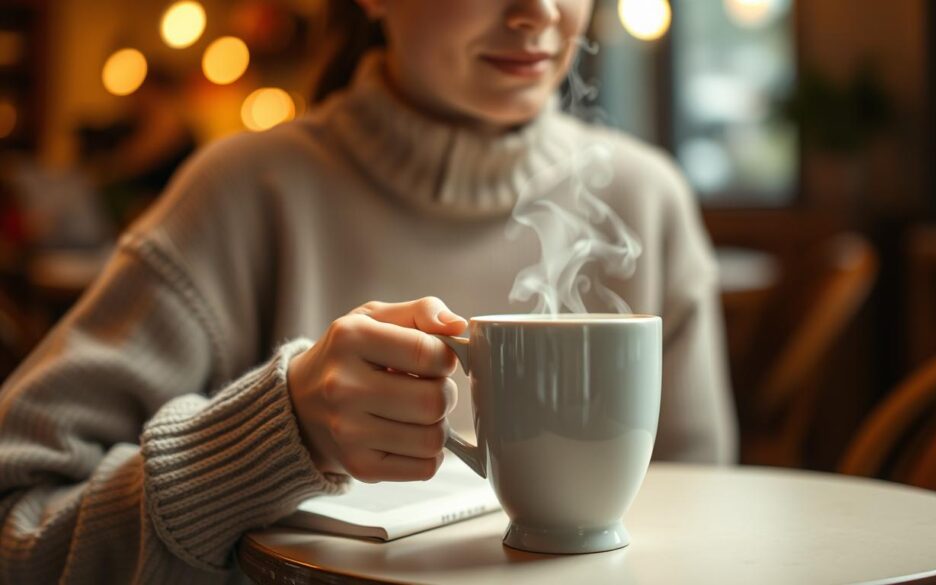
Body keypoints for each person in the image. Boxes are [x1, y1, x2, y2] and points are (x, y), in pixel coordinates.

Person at [0, 0, 737, 582]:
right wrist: (272, 432)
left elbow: (705, 527)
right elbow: (16, 532)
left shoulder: (648, 199)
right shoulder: (240, 196)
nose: (540, 9)